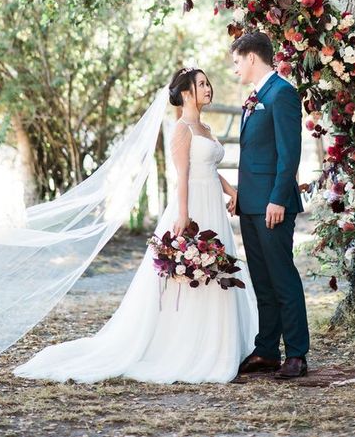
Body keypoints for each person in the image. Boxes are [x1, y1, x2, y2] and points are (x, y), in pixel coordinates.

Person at [13, 68, 257, 384]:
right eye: (201, 84)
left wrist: (231, 191)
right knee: (192, 274)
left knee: (217, 271)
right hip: (193, 206)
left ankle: (219, 343)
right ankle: (187, 345)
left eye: (208, 83)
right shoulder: (182, 129)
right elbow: (182, 177)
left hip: (214, 206)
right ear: (185, 93)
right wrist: (184, 217)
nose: (208, 88)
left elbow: (208, 167)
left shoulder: (206, 127)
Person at [231, 32, 310, 379]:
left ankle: (296, 354)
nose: (234, 69)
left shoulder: (283, 94)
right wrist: (239, 195)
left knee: (282, 278)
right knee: (261, 280)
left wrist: (278, 198)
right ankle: (266, 350)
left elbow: (288, 152)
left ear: (252, 58)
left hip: (273, 204)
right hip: (250, 204)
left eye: (236, 61)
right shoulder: (255, 97)